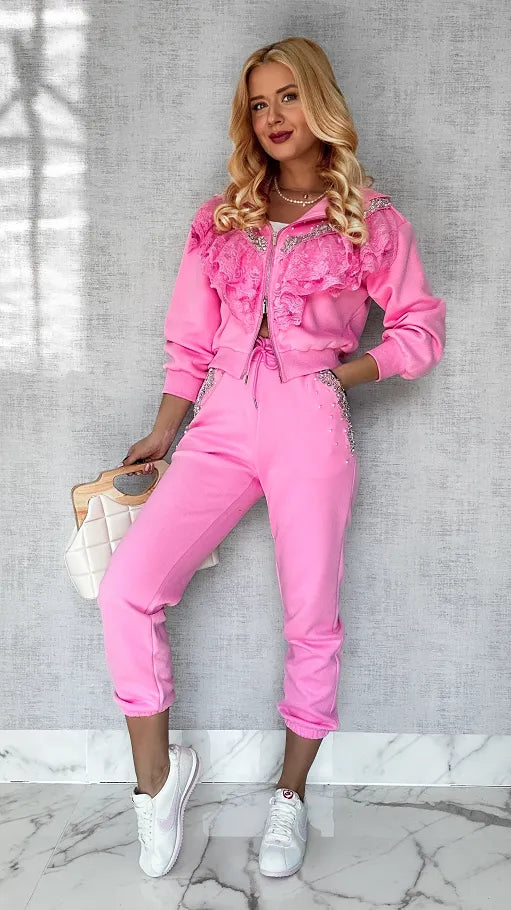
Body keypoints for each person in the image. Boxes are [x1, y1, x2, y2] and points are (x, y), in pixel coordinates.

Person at [96, 37, 446, 880]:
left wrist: (338, 376)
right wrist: (164, 429)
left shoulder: (371, 217)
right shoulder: (224, 218)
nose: (273, 117)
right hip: (219, 417)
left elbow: (418, 330)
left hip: (307, 423)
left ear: (318, 101)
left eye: (287, 97)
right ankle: (157, 781)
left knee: (309, 617)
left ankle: (289, 795)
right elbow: (188, 341)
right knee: (127, 589)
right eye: (258, 104)